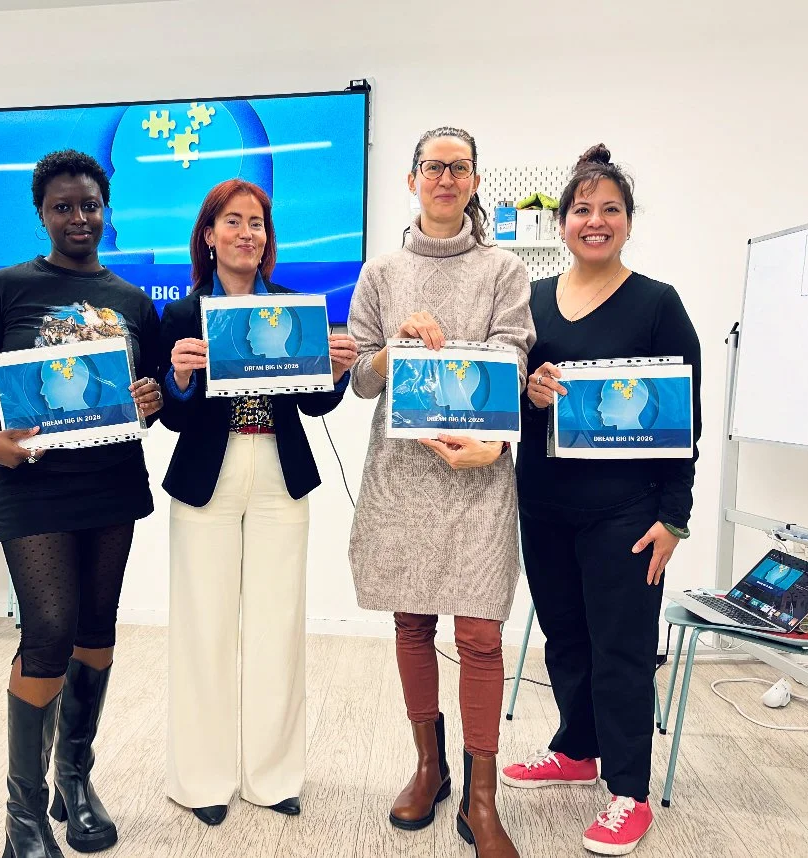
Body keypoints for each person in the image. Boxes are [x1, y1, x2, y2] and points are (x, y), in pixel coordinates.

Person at [0, 149, 164, 857]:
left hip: (109, 481)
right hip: (31, 483)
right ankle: (24, 813)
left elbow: (151, 395)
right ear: (41, 214)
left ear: (106, 211)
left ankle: (75, 777)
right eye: (64, 207)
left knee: (95, 629)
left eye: (90, 205)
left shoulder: (132, 300)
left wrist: (153, 399)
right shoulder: (3, 288)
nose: (79, 218)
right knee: (48, 631)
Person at [502, 144, 702, 856]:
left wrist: (672, 517)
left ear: (626, 221)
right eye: (581, 210)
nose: (595, 221)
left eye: (608, 209)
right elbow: (508, 405)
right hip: (543, 502)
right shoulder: (528, 300)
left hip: (626, 512)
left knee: (621, 649)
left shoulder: (657, 303)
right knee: (566, 639)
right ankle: (576, 749)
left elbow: (684, 423)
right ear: (560, 224)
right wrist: (528, 393)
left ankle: (626, 792)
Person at [347, 126, 535, 858]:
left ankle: (481, 799)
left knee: (481, 634)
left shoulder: (504, 269)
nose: (445, 179)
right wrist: (394, 348)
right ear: (412, 179)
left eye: (458, 168)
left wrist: (454, 347)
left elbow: (515, 357)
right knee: (410, 623)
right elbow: (359, 376)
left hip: (478, 469)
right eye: (433, 167)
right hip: (401, 473)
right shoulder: (382, 271)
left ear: (475, 180)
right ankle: (429, 767)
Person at [158, 178, 358, 826]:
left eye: (258, 224)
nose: (249, 233)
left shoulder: (295, 307)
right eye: (234, 221)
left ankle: (273, 778)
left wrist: (335, 369)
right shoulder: (184, 316)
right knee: (203, 630)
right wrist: (180, 379)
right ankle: (201, 780)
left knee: (277, 628)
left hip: (278, 473)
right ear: (209, 235)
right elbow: (172, 419)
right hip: (205, 483)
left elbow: (315, 402)